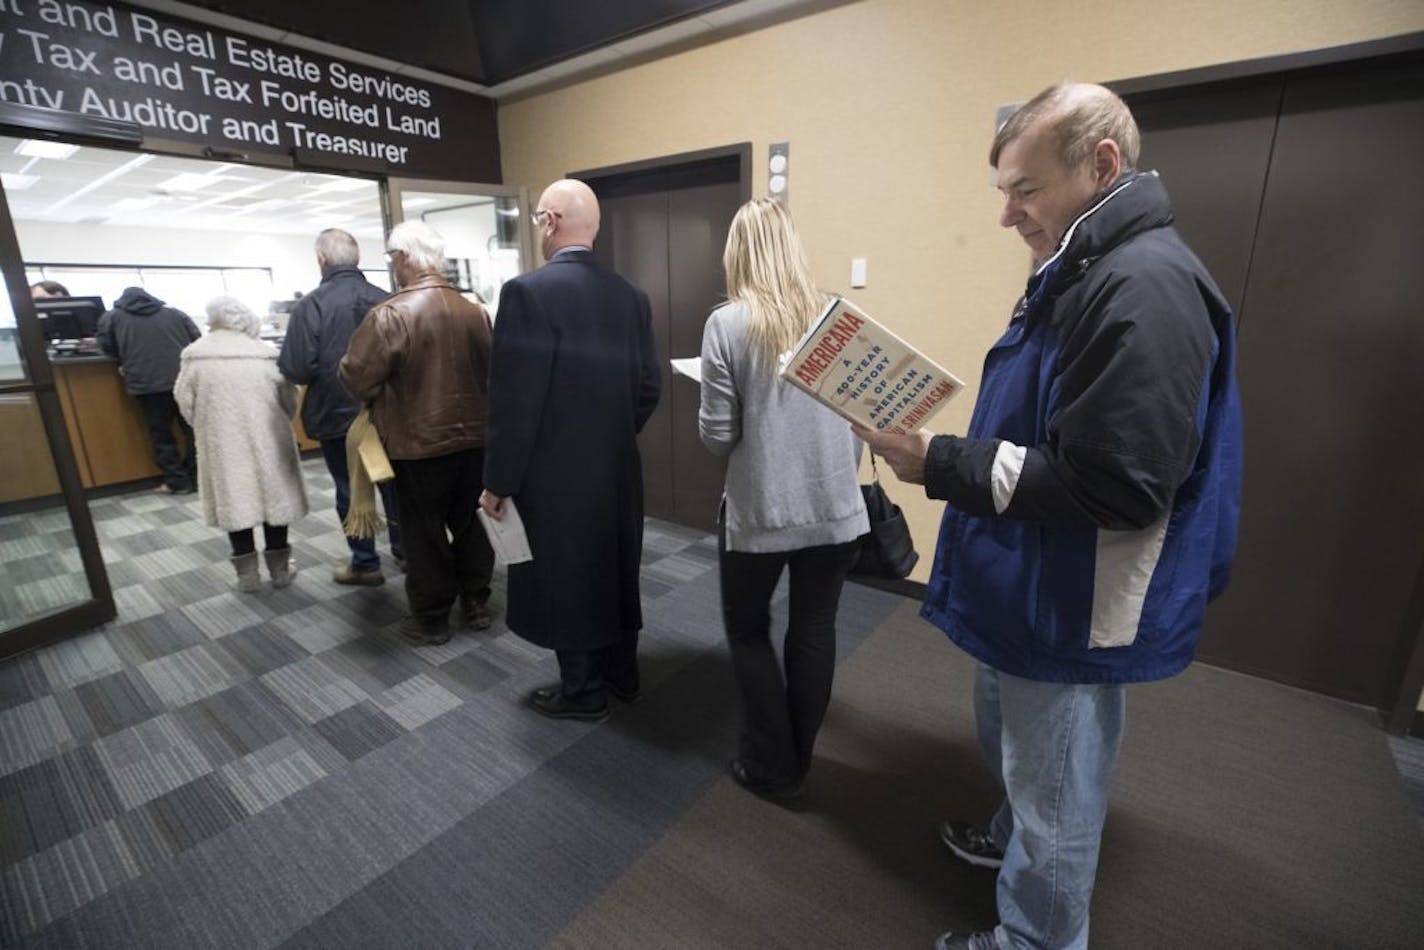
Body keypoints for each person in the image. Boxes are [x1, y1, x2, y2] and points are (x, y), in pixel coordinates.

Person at [856, 83, 1242, 950]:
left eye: (1023, 190)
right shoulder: (1086, 264)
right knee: (1027, 748)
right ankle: (1013, 835)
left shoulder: (1145, 287)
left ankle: (1036, 937)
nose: (1007, 215)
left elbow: (1118, 486)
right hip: (1034, 571)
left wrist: (939, 461)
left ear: (1102, 165)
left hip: (1073, 593)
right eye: (1003, 192)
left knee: (1059, 777)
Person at [699, 198, 869, 798]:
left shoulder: (728, 324)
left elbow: (719, 436)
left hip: (762, 512)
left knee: (748, 631)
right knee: (814, 630)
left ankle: (774, 764)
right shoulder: (838, 316)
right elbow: (859, 420)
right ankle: (799, 757)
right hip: (835, 512)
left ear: (738, 253)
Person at [479, 179, 661, 723]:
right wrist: (612, 431)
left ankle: (581, 690)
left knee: (566, 572)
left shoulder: (527, 293)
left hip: (553, 471)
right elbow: (649, 386)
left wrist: (498, 481)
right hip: (618, 465)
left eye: (538, 219)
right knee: (615, 563)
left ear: (550, 222)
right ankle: (622, 674)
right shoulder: (631, 296)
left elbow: (515, 402)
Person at [339, 220, 495, 645]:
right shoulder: (475, 311)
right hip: (477, 442)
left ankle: (432, 619)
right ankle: (477, 602)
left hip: (417, 445)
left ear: (404, 257)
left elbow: (355, 376)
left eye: (392, 258)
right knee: (472, 524)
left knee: (423, 534)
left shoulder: (390, 314)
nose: (393, 266)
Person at [278, 228, 403, 586]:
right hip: (386, 412)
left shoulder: (310, 306)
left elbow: (296, 367)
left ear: (321, 259)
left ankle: (365, 563)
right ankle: (406, 551)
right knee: (392, 484)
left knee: (349, 486)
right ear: (357, 258)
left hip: (336, 415)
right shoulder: (389, 299)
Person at [174, 297, 309, 591]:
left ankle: (247, 577)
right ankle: (280, 572)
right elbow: (290, 400)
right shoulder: (265, 355)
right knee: (276, 503)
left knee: (235, 504)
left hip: (222, 443)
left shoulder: (195, 356)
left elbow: (185, 403)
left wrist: (207, 425)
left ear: (212, 320)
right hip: (270, 439)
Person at [96, 286, 203, 494]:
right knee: (193, 431)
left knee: (161, 436)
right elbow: (196, 339)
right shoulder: (175, 313)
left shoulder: (112, 317)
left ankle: (177, 482)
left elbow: (107, 347)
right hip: (184, 379)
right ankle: (198, 477)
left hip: (147, 384)